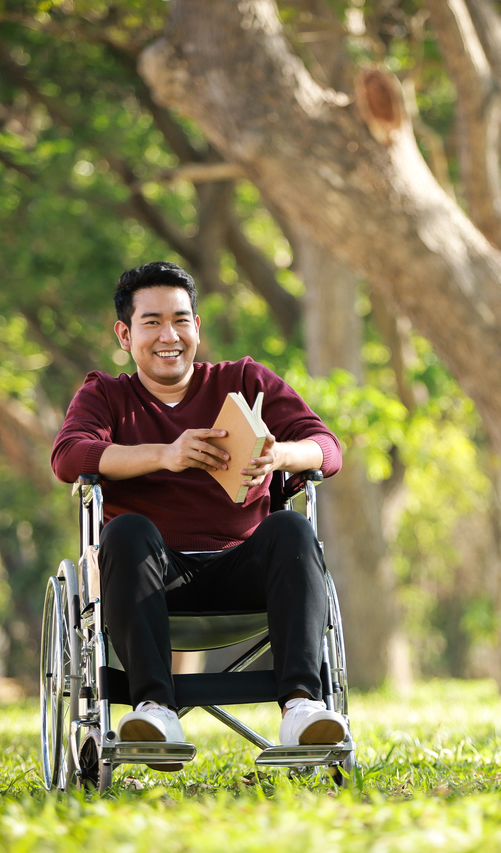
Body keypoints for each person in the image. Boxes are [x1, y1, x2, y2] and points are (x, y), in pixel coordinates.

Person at [51, 261, 346, 769]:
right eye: (152, 322)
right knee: (125, 530)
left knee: (293, 528)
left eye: (182, 320)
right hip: (150, 581)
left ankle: (302, 706)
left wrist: (279, 456)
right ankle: (155, 708)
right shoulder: (106, 395)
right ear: (125, 334)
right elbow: (69, 456)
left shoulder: (245, 381)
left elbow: (327, 448)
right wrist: (166, 453)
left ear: (197, 327)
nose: (170, 335)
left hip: (243, 572)